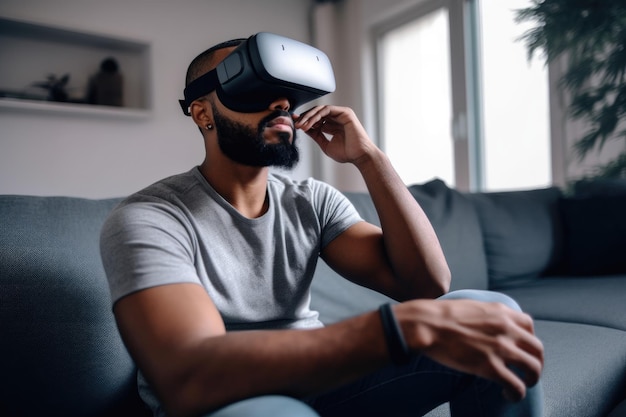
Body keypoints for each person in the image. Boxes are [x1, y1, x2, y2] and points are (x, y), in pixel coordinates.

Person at [100, 36, 544, 417]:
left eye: (284, 94)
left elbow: (427, 285)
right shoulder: (150, 218)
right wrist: (396, 329)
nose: (280, 104)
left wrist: (371, 158)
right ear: (202, 114)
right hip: (230, 399)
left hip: (326, 382)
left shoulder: (311, 200)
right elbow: (189, 376)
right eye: (251, 85)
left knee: (492, 313)